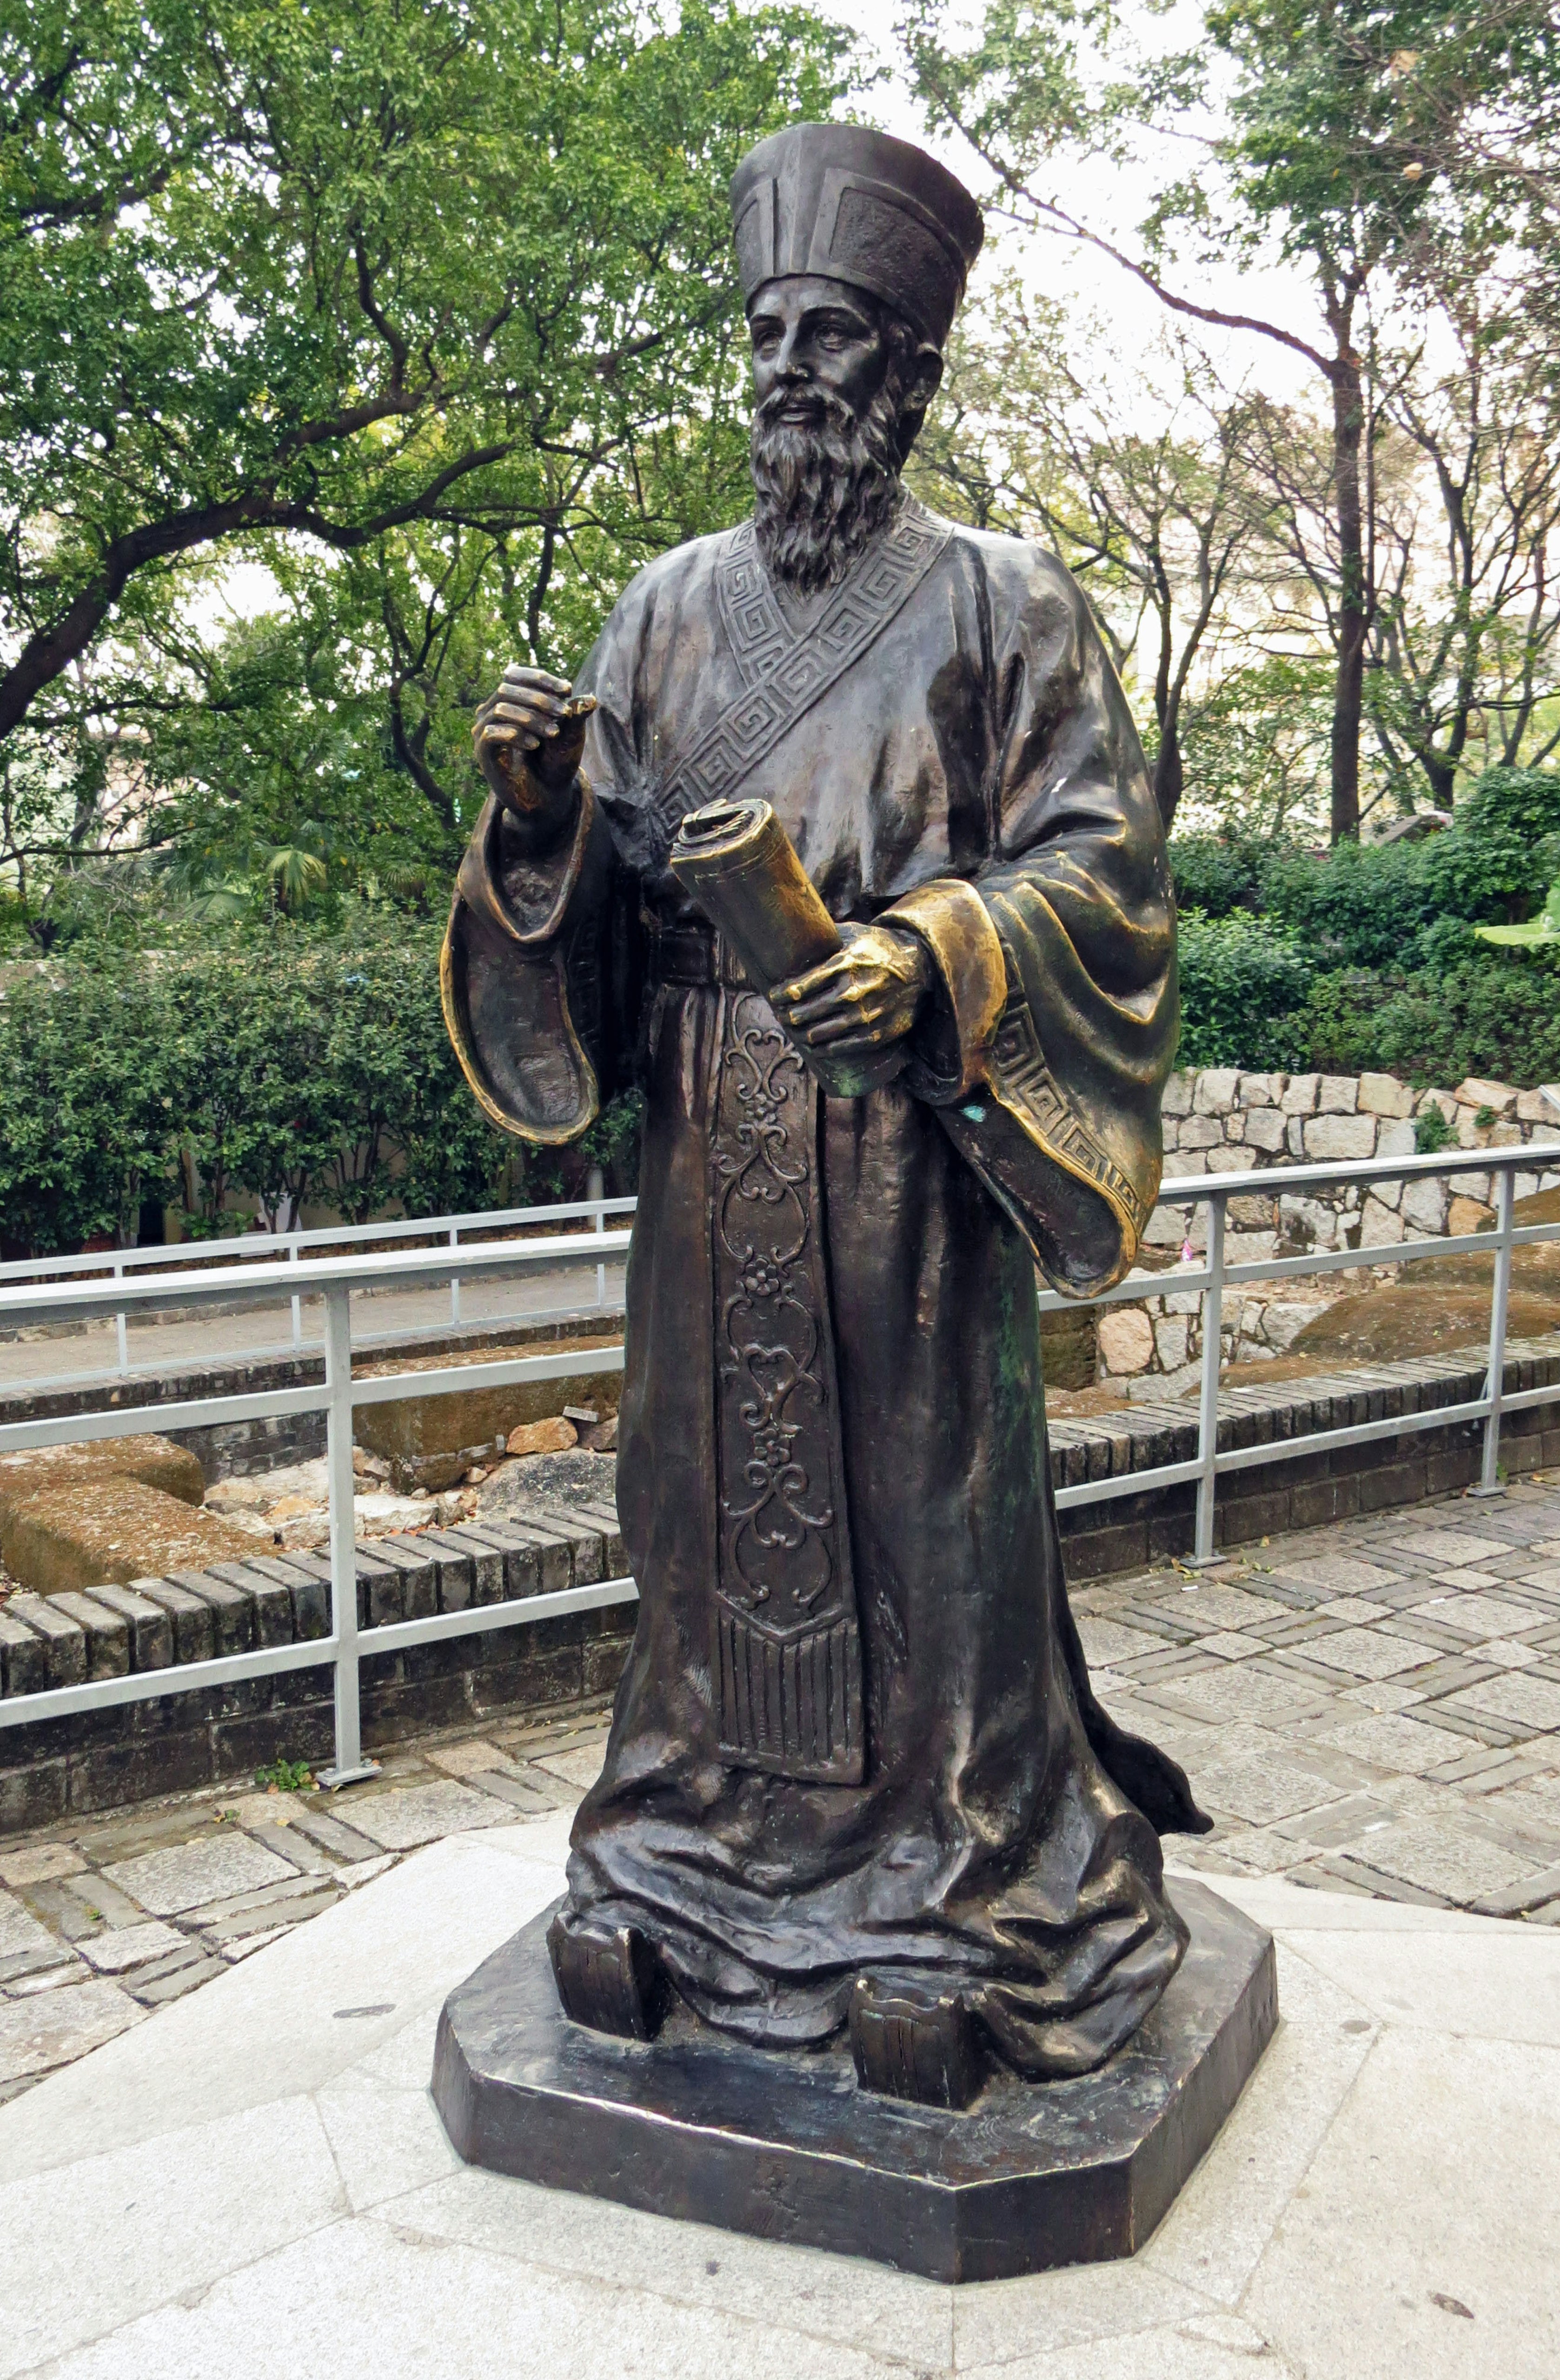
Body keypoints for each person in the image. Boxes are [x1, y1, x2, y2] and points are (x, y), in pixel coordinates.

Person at [443, 121, 1206, 2095]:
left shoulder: (1000, 603)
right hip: (711, 1161)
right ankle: (691, 1869)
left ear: (912, 374)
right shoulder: (663, 610)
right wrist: (539, 822)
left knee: (921, 1528)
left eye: (838, 334)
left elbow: (1106, 866)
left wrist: (941, 947)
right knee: (701, 1513)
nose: (791, 366)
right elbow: (591, 931)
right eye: (769, 329)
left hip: (906, 1170)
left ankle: (958, 1892)